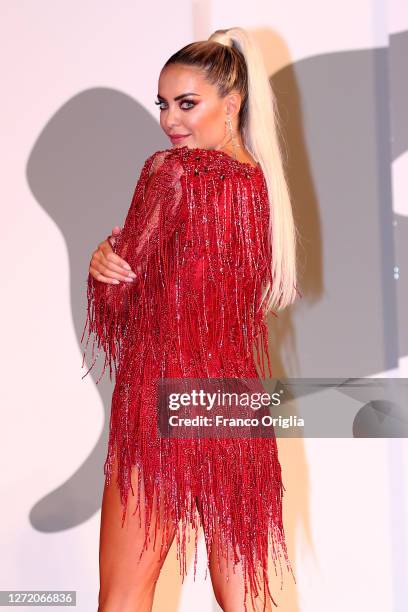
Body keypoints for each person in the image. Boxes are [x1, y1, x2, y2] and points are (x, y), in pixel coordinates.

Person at [81, 26, 300, 612]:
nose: (170, 121)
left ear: (232, 104)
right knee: (250, 600)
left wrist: (103, 265)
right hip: (234, 403)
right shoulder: (261, 187)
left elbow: (122, 306)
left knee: (124, 595)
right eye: (163, 104)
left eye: (186, 103)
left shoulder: (170, 174)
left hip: (160, 397)